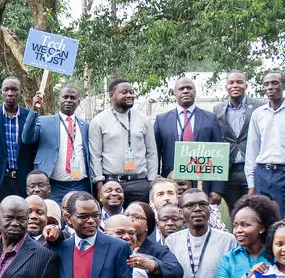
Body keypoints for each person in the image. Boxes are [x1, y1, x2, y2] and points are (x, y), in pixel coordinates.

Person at [244, 71, 285, 209]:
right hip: (262, 174)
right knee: (260, 218)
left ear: (283, 86)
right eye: (266, 84)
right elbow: (252, 150)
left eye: (275, 83)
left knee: (283, 219)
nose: (270, 87)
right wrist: (251, 183)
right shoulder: (258, 114)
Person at [155, 76, 223, 200]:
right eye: (181, 88)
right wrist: (156, 182)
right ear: (174, 93)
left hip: (202, 179)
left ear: (194, 91)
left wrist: (217, 189)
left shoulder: (210, 118)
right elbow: (155, 154)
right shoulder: (161, 120)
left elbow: (220, 155)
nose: (186, 91)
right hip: (171, 181)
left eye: (189, 88)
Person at [93, 77, 158, 205]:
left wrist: (152, 182)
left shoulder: (143, 119)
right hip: (111, 184)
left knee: (139, 221)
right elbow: (95, 156)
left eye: (131, 92)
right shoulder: (99, 121)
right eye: (124, 92)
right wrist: (99, 185)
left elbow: (152, 153)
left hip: (140, 184)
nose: (130, 95)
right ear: (112, 95)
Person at [33, 82, 94, 202]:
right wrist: (33, 109)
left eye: (73, 98)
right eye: (65, 97)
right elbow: (27, 138)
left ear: (78, 102)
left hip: (81, 185)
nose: (69, 100)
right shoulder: (44, 121)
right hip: (54, 187)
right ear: (58, 100)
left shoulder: (85, 126)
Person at [0, 76, 42, 199]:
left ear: (21, 92)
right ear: (1, 92)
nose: (10, 93)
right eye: (6, 90)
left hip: (24, 181)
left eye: (14, 90)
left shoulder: (30, 116)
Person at [212, 71, 253, 211]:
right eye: (231, 82)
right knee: (234, 212)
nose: (235, 85)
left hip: (251, 169)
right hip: (229, 171)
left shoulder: (259, 106)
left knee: (253, 211)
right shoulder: (217, 110)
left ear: (246, 85)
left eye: (239, 82)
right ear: (226, 87)